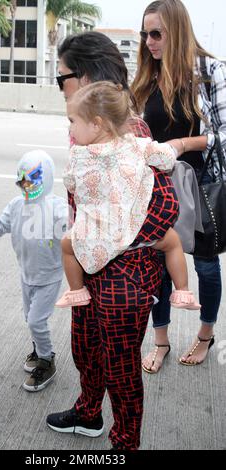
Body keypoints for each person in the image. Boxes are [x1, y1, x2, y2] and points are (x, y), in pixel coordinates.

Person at [45, 31, 178, 451]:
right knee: (85, 349)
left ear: (83, 77)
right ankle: (88, 412)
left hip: (124, 275)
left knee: (120, 368)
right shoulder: (86, 129)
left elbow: (164, 207)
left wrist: (112, 242)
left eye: (61, 75)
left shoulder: (127, 130)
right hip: (90, 264)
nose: (60, 83)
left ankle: (125, 443)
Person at [131, 0, 225, 372]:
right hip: (157, 185)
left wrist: (185, 144)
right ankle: (162, 341)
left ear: (177, 31)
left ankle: (205, 336)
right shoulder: (148, 75)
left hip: (201, 183)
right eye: (145, 34)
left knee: (205, 266)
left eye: (156, 33)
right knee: (157, 265)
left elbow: (223, 134)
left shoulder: (211, 71)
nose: (149, 42)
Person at [55, 81, 200, 313]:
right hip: (134, 229)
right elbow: (166, 159)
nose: (70, 128)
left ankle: (76, 291)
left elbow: (71, 184)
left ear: (96, 124)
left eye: (72, 121)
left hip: (95, 235)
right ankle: (182, 291)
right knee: (172, 242)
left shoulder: (77, 156)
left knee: (66, 245)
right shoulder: (137, 145)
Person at [0, 150, 67, 391]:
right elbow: (0, 228)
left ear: (46, 179)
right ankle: (39, 349)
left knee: (36, 320)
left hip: (49, 276)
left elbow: (70, 230)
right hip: (27, 275)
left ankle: (47, 359)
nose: (28, 186)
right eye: (23, 180)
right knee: (30, 319)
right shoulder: (15, 205)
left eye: (33, 180)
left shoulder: (56, 206)